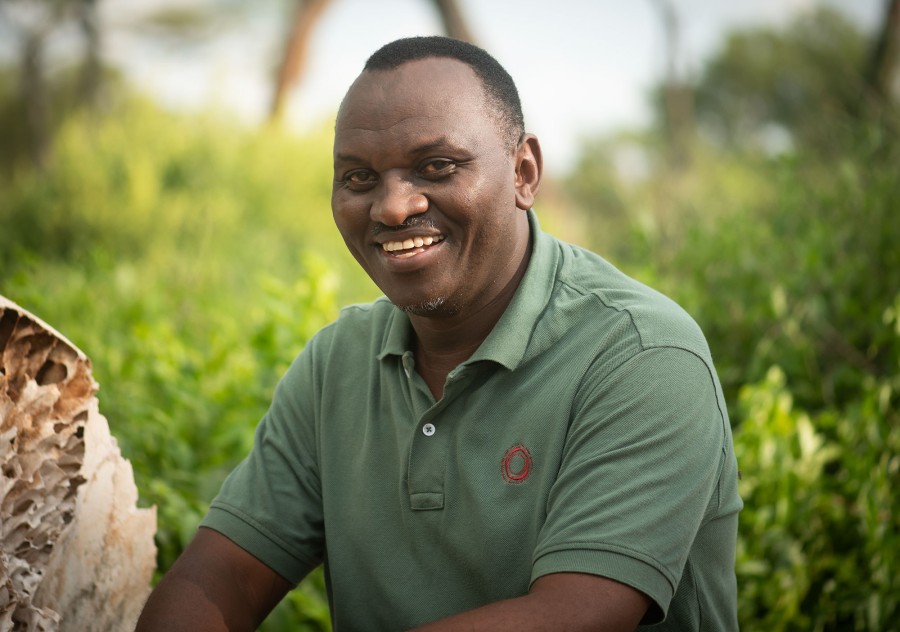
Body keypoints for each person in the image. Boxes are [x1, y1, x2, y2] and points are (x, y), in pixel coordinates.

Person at [136, 36, 742, 631]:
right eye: (358, 178)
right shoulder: (337, 364)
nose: (393, 207)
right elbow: (225, 578)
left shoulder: (640, 355)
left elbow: (577, 616)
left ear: (524, 172)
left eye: (437, 166)